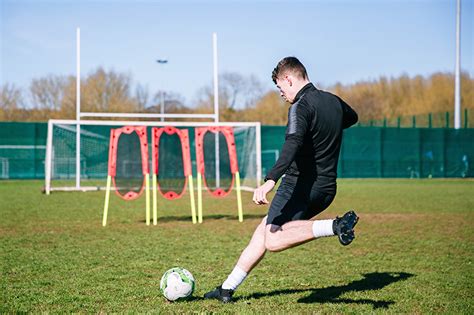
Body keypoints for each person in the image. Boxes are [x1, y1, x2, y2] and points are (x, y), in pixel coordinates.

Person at [204, 56, 360, 303]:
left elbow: (293, 143)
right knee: (263, 231)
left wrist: (270, 180)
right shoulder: (333, 101)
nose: (280, 93)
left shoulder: (300, 106)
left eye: (279, 86)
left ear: (288, 78)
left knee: (273, 238)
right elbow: (352, 117)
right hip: (326, 189)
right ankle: (226, 288)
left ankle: (334, 226)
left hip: (298, 185)